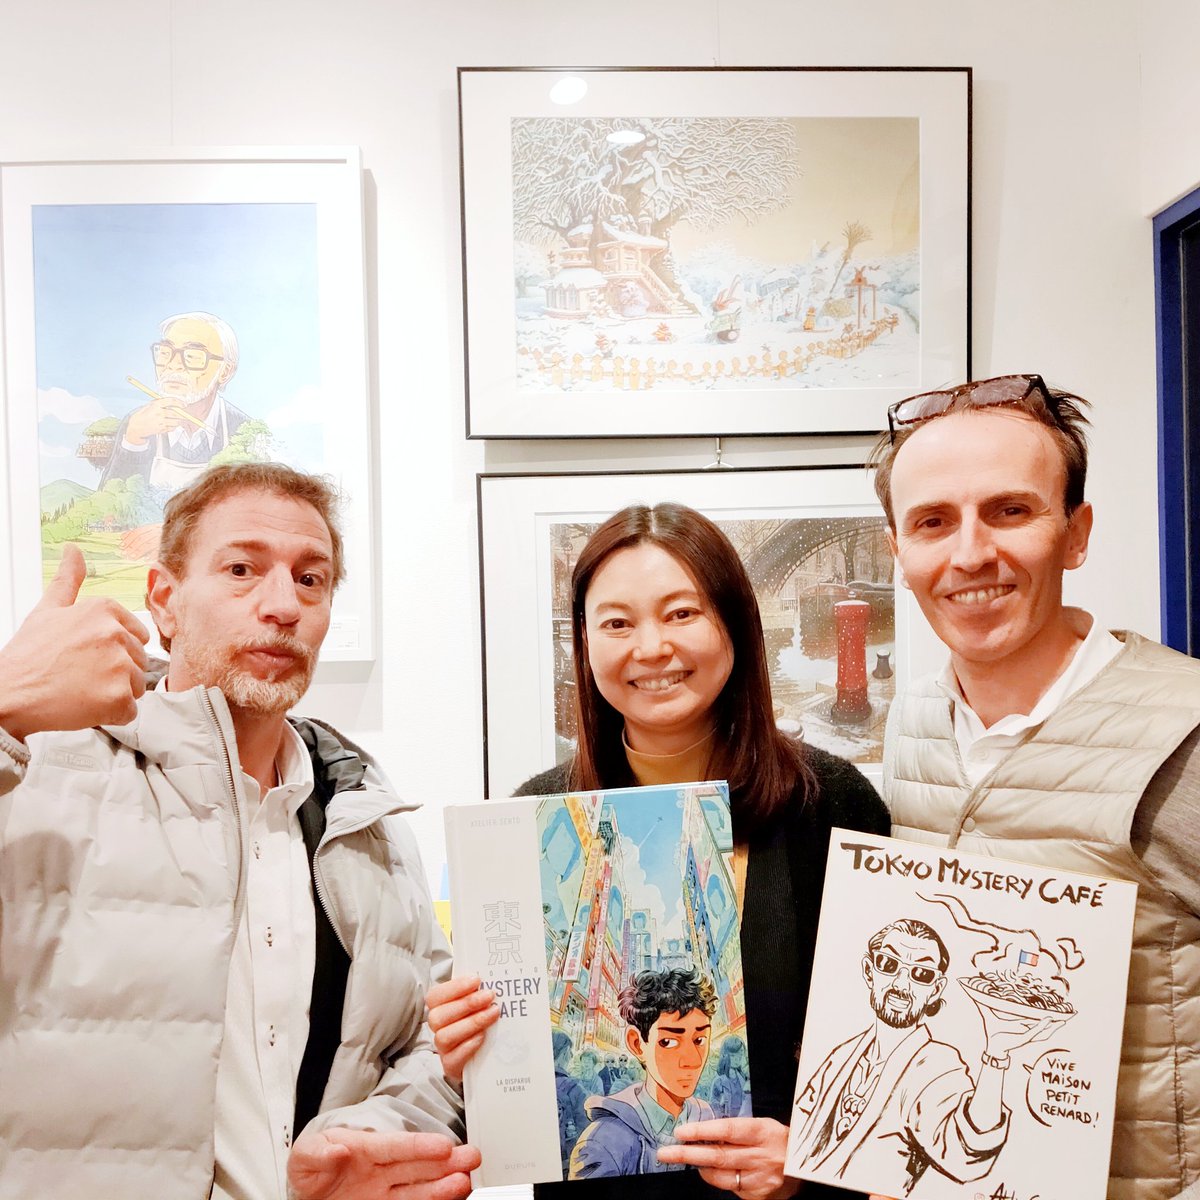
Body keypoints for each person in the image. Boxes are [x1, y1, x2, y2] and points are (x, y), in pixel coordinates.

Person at [0, 462, 478, 1199]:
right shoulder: (41, 773)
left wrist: (369, 1140)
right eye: (241, 570)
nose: (283, 605)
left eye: (311, 580)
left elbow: (428, 1043)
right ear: (165, 601)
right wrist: (5, 701)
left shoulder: (364, 815)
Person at [428, 502, 891, 1200]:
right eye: (617, 623)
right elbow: (507, 1088)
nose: (650, 648)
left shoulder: (831, 804)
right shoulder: (529, 817)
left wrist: (809, 1160)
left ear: (735, 624)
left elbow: (886, 1055)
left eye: (681, 613)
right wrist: (467, 1047)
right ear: (585, 643)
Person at [871, 374, 1200, 1200]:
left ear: (1075, 534)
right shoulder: (912, 722)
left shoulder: (1185, 725)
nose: (970, 554)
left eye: (1010, 511)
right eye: (933, 522)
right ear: (898, 553)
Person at [789, 918, 1064, 1196]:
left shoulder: (936, 1066)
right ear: (869, 971)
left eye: (921, 973)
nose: (901, 984)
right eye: (888, 964)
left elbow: (968, 1148)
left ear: (936, 989)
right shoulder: (841, 1055)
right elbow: (799, 1132)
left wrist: (996, 1056)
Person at [570, 968, 717, 1179]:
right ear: (637, 1044)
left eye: (700, 1040)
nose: (692, 1060)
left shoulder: (705, 1117)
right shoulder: (602, 1143)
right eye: (668, 1042)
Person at [100, 310, 251, 489]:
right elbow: (109, 501)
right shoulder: (137, 422)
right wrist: (134, 441)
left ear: (225, 371)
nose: (173, 364)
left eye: (192, 356)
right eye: (165, 352)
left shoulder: (243, 429)